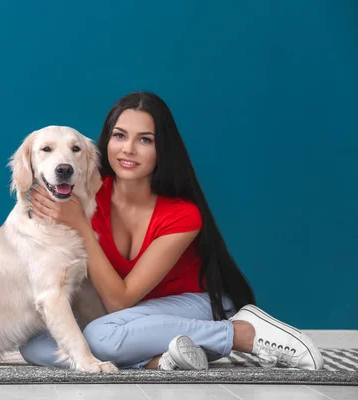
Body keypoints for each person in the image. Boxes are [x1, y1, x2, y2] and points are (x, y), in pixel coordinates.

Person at [19, 91, 323, 371]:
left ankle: (240, 332)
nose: (128, 149)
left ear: (162, 148)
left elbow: (119, 301)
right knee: (34, 344)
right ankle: (158, 360)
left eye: (145, 140)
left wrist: (80, 226)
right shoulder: (85, 197)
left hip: (192, 307)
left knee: (98, 336)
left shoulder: (182, 215)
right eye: (119, 136)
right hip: (134, 322)